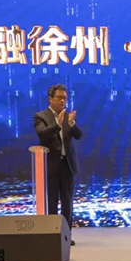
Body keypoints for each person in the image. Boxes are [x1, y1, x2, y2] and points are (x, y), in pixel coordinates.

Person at [33, 84, 82, 246]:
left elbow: (78, 135)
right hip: (51, 166)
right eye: (59, 97)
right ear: (50, 98)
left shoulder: (68, 116)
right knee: (51, 202)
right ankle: (52, 235)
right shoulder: (40, 116)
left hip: (67, 164)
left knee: (67, 202)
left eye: (65, 98)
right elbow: (42, 133)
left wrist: (72, 125)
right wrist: (57, 124)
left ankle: (66, 236)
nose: (62, 101)